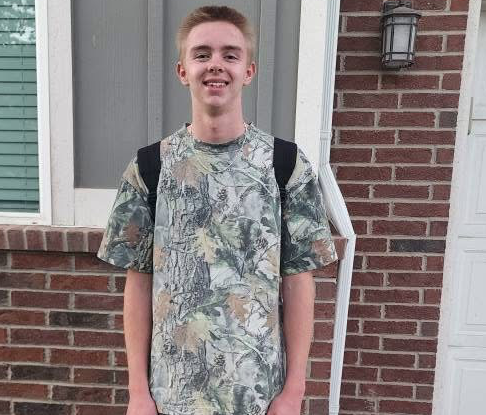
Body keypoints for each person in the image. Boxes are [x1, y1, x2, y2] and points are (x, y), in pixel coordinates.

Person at [97, 6, 337, 415]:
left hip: (258, 397)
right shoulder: (150, 167)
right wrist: (138, 392)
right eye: (202, 54)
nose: (215, 65)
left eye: (230, 54)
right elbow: (138, 283)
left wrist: (293, 391)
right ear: (182, 70)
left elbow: (299, 281)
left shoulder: (286, 165)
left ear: (249, 71)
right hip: (172, 397)